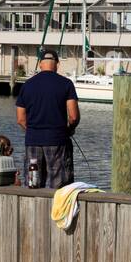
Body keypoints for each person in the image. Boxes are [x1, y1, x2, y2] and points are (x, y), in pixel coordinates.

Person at [15, 48, 80, 189]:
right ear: (57, 64)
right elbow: (73, 117)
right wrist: (69, 130)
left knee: (33, 184)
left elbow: (20, 119)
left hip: (32, 142)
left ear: (40, 64)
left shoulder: (27, 86)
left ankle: (33, 210)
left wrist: (33, 130)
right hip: (57, 141)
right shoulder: (66, 84)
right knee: (58, 187)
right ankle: (55, 211)